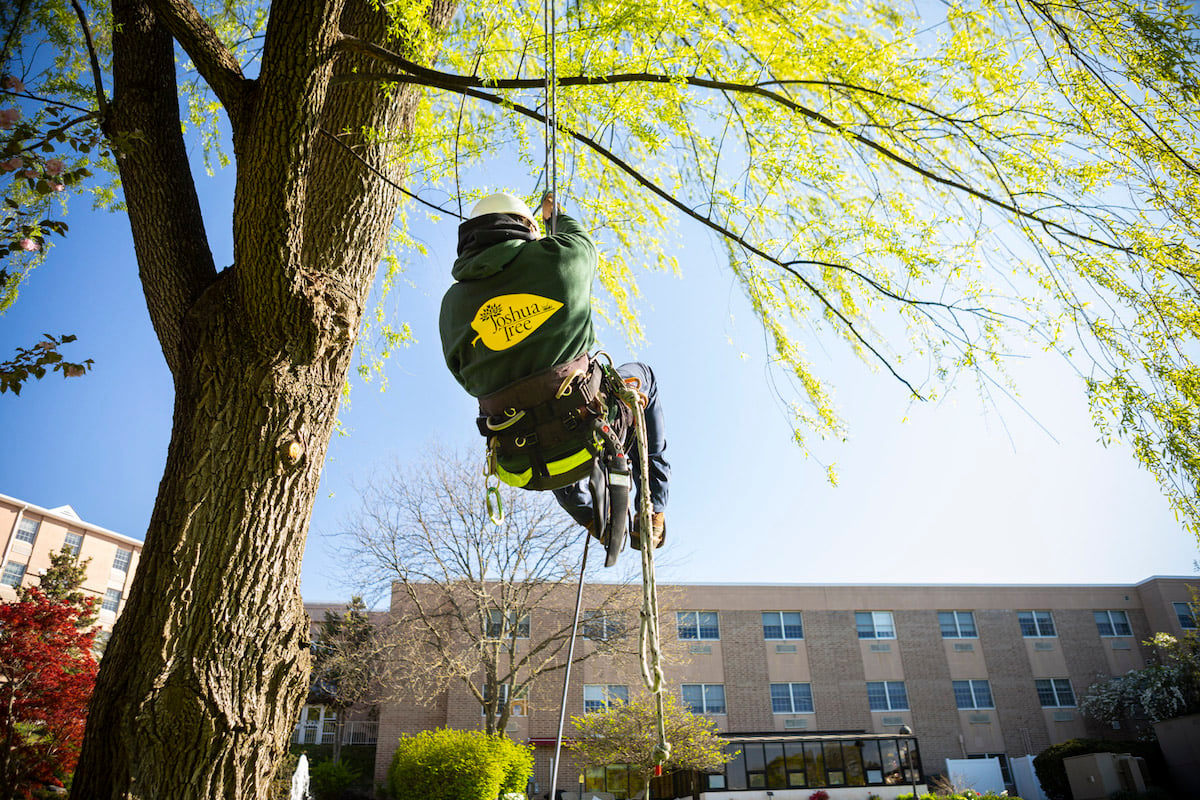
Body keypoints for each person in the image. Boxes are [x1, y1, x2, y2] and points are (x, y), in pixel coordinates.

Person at [439, 191, 669, 548]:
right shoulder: (560, 257)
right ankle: (652, 505)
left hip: (525, 457)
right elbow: (581, 242)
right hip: (590, 428)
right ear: (526, 229)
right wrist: (554, 215)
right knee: (641, 377)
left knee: (541, 419)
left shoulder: (452, 305)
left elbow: (463, 376)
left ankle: (592, 517)